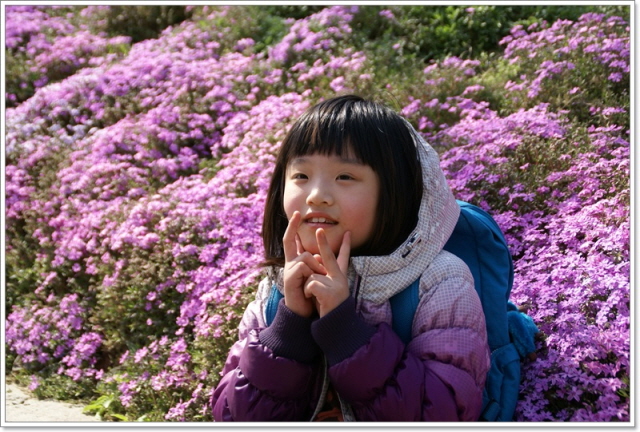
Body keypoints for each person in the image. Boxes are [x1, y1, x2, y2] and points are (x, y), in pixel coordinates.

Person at [210, 95, 490, 421]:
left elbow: (445, 416)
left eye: (345, 177)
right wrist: (289, 328)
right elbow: (232, 417)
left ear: (394, 193)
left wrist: (345, 330)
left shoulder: (439, 281)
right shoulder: (275, 290)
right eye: (301, 176)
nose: (317, 195)